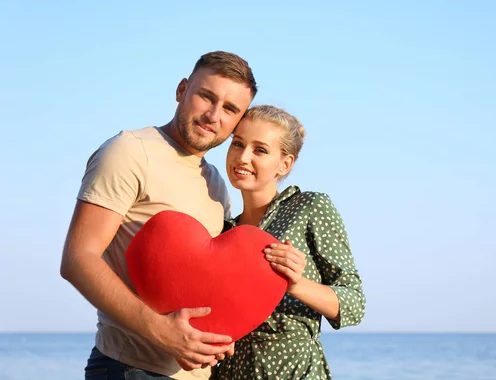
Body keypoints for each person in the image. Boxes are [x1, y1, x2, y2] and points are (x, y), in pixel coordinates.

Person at [60, 51, 257, 380]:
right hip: (131, 369)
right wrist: (162, 331)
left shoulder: (217, 186)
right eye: (206, 97)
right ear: (182, 91)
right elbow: (78, 258)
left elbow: (205, 281)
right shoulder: (130, 151)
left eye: (230, 109)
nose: (213, 115)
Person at [215, 105, 366, 379]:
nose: (243, 156)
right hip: (230, 372)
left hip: (294, 371)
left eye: (260, 150)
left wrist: (296, 283)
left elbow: (354, 304)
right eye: (237, 144)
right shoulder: (223, 229)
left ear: (285, 164)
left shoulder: (310, 207)